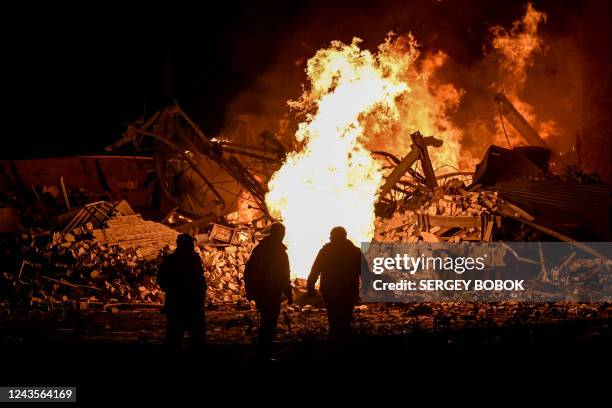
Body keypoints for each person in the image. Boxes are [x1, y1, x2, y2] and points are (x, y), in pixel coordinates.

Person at [243, 223, 293, 355]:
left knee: (266, 320)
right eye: (282, 234)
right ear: (277, 234)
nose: (283, 236)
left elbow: (248, 271)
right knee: (269, 321)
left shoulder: (260, 249)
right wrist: (288, 293)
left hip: (262, 292)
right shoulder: (279, 253)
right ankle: (265, 351)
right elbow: (284, 275)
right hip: (271, 292)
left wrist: (250, 290)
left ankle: (263, 349)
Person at [307, 226, 362, 342]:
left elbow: (315, 270)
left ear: (334, 237)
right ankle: (345, 340)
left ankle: (335, 339)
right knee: (346, 316)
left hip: (330, 290)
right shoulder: (355, 251)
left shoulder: (326, 251)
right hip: (348, 290)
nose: (330, 239)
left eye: (331, 237)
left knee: (333, 316)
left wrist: (310, 286)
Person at [158, 233, 207, 349]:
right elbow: (199, 279)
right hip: (192, 304)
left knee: (175, 336)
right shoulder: (194, 259)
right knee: (195, 337)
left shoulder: (171, 260)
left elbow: (161, 280)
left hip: (176, 304)